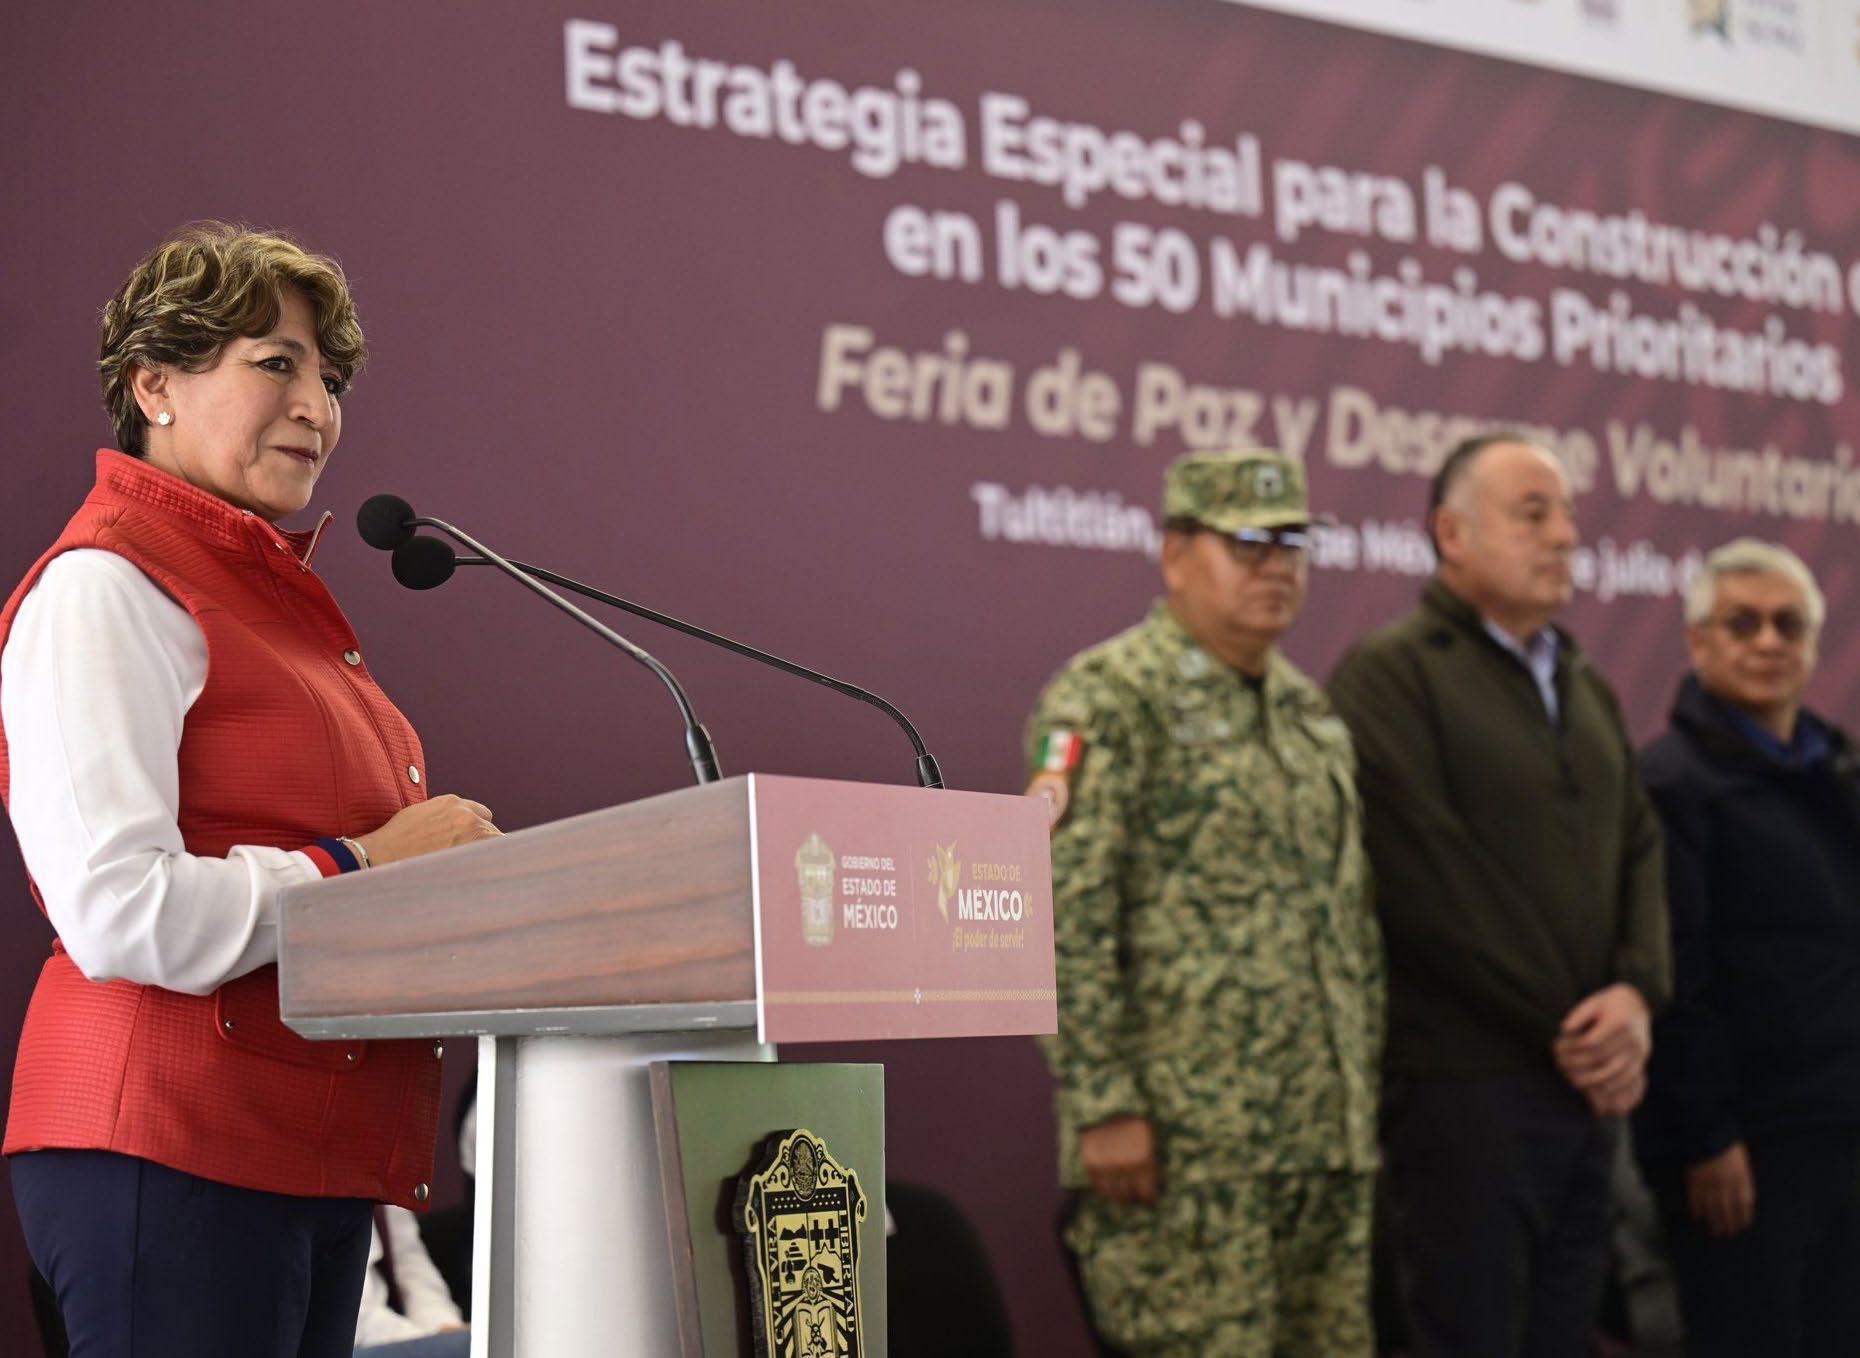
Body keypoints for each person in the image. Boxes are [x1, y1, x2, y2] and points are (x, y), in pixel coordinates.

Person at [1, 222, 500, 1358]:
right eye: (276, 363)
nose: (317, 406)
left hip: (307, 1157)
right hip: (168, 1142)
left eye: (332, 380)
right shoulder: (105, 586)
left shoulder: (273, 606)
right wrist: (364, 865)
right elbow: (117, 905)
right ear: (155, 385)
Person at [1028, 450, 1383, 1358]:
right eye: (1248, 543)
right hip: (1186, 1152)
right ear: (1176, 554)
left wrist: (1359, 1095)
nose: (1276, 567)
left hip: (1324, 1142)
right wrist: (1102, 1101)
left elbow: (1350, 921)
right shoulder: (1111, 697)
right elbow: (1061, 907)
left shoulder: (1309, 712)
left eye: (1292, 544)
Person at [1327, 431, 1670, 1358]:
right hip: (1465, 1088)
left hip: (1586, 1093)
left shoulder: (1584, 682)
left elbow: (1640, 846)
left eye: (1567, 515)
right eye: (1533, 514)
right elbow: (1426, 881)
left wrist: (1637, 994)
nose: (1563, 536)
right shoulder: (1392, 674)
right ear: (1452, 534)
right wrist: (1576, 1026)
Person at [1634, 539, 1860, 1356]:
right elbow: (1677, 978)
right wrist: (1705, 1135)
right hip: (1741, 1152)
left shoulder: (1839, 773)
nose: (1769, 642)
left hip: (1842, 1125)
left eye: (1788, 625)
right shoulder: (1670, 784)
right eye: (1743, 624)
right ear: (1698, 641)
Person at [353, 1204, 470, 1356]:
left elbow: (410, 1262)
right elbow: (351, 1317)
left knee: (475, 1345)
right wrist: (431, 1343)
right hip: (354, 1341)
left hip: (404, 1337)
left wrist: (443, 1326)